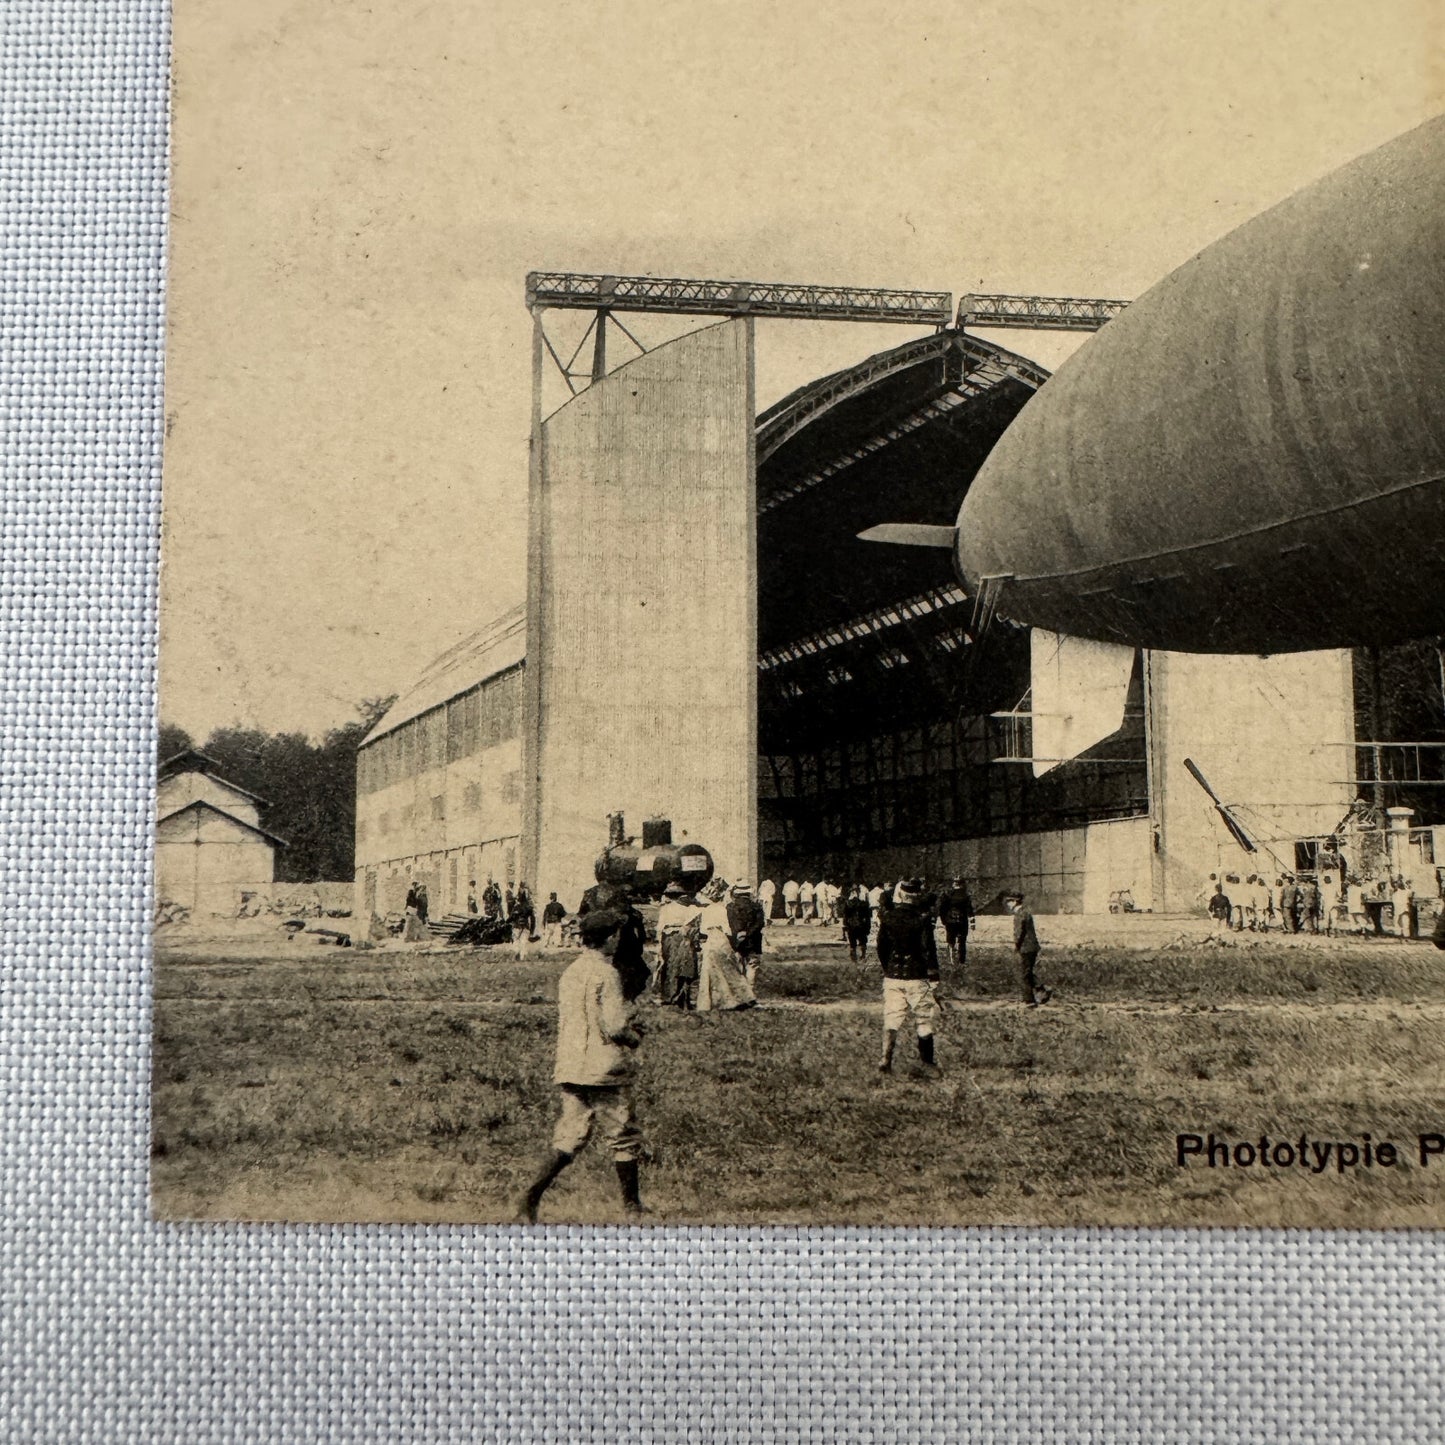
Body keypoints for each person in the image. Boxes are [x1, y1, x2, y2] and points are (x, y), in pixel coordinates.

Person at [516, 909, 647, 1223]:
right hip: (605, 1069)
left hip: (572, 1064)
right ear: (610, 938)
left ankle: (530, 1196)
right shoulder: (607, 974)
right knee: (623, 1134)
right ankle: (632, 1207)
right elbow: (615, 1026)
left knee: (569, 1136)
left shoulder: (571, 972)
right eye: (617, 934)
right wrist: (634, 1037)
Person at [875, 879, 942, 1074]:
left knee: (892, 1018)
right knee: (924, 1018)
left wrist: (888, 968)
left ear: (900, 895)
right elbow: (929, 949)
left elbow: (881, 948)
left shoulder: (888, 918)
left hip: (893, 975)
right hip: (916, 976)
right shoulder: (922, 920)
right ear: (917, 896)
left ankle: (885, 1059)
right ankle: (927, 1063)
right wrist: (934, 976)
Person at [696, 878, 756, 1011]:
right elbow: (727, 929)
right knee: (729, 968)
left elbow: (703, 930)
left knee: (710, 971)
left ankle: (713, 1001)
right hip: (721, 939)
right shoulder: (723, 909)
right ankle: (740, 997)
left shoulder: (706, 911)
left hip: (710, 940)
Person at [656, 882, 701, 1009]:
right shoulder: (689, 909)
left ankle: (668, 995)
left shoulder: (665, 909)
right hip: (682, 937)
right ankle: (681, 995)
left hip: (669, 937)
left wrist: (658, 942)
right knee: (682, 966)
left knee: (668, 965)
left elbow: (660, 927)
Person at [1005, 892, 1051, 1007]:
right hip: (1032, 947)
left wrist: (1016, 946)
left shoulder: (1019, 914)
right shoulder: (1026, 912)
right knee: (1028, 972)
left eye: (1009, 901)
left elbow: (1019, 932)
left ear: (1015, 902)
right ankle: (1042, 989)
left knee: (1024, 974)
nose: (1008, 904)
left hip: (1026, 947)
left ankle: (1029, 1000)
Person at [725, 882, 766, 989]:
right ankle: (750, 988)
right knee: (752, 965)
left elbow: (729, 924)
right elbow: (760, 923)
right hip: (753, 940)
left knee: (738, 963)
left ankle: (742, 990)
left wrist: (738, 933)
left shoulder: (730, 907)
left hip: (735, 940)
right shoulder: (756, 906)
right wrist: (747, 933)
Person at [938, 875, 976, 974]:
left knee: (951, 942)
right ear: (962, 884)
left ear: (954, 884)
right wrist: (972, 922)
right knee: (962, 941)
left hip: (950, 921)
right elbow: (969, 910)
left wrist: (943, 920)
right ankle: (961, 961)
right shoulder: (966, 896)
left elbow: (942, 909)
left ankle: (952, 960)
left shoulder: (947, 895)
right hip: (962, 921)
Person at [842, 885, 872, 963]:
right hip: (861, 925)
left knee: (853, 942)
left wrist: (845, 925)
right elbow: (867, 917)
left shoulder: (848, 904)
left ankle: (854, 956)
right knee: (862, 941)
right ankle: (863, 955)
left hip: (852, 925)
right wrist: (868, 927)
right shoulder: (864, 904)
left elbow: (845, 916)